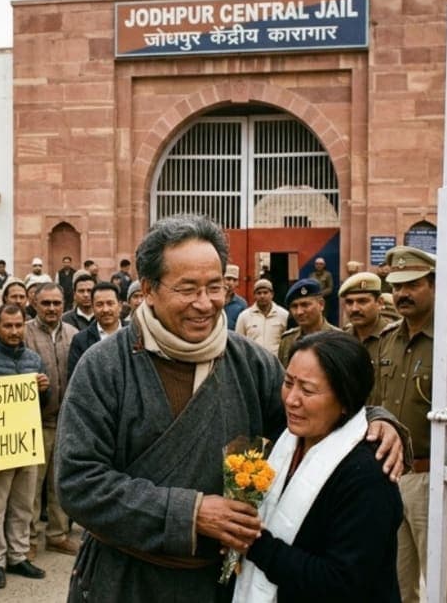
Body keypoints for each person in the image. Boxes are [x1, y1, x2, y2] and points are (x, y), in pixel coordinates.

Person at [56, 214, 408, 603]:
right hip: (124, 581)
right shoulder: (104, 366)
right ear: (149, 289)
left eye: (215, 287)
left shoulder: (250, 362)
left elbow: (309, 414)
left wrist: (372, 419)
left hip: (220, 586)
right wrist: (190, 513)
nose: (204, 304)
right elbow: (78, 483)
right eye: (187, 288)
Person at [235, 331, 402, 603]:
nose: (291, 399)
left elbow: (341, 582)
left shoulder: (368, 476)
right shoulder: (286, 442)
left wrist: (253, 544)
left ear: (346, 401)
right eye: (288, 383)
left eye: (308, 390)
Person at [370, 245, 447, 603]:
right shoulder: (387, 341)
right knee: (396, 583)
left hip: (434, 478)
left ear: (434, 286)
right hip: (389, 475)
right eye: (397, 286)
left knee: (441, 585)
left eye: (412, 285)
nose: (402, 294)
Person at [0, 305, 51, 587]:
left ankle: (17, 555)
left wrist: (44, 389)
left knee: (23, 503)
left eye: (19, 325)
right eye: (8, 326)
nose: (14, 331)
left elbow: (42, 404)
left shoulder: (33, 359)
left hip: (27, 440)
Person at [21, 283, 81, 556]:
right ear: (34, 303)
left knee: (60, 483)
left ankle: (58, 534)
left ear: (64, 304)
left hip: (68, 421)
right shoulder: (24, 332)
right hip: (35, 421)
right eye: (46, 303)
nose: (52, 308)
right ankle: (29, 539)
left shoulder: (73, 333)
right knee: (32, 486)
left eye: (57, 303)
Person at [338, 272, 399, 375]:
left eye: (362, 301)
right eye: (349, 302)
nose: (354, 309)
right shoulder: (341, 341)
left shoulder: (395, 339)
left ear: (380, 303)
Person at [66, 282, 125, 379]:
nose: (105, 309)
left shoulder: (134, 333)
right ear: (93, 307)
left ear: (120, 306)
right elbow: (76, 379)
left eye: (110, 303)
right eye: (99, 304)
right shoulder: (80, 340)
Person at [277, 278, 339, 367]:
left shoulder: (338, 339)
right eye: (294, 306)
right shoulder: (287, 341)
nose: (299, 312)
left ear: (321, 304)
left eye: (305, 305)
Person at [236, 278, 289, 356]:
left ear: (272, 294)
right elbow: (238, 342)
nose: (262, 296)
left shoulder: (283, 315)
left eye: (265, 292)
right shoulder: (244, 316)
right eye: (259, 293)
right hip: (253, 364)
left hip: (276, 363)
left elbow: (288, 342)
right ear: (254, 295)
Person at [223, 264, 248, 330]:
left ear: (237, 283)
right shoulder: (214, 300)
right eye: (228, 279)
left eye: (234, 280)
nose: (231, 283)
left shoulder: (241, 304)